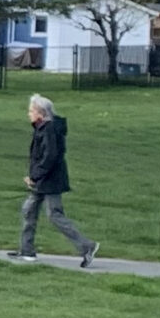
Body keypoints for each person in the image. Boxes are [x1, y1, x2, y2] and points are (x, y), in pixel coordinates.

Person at [14, 92, 97, 265]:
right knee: (29, 210)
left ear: (41, 113)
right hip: (42, 180)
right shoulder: (42, 128)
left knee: (54, 215)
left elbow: (49, 156)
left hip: (50, 181)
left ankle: (86, 246)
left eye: (31, 111)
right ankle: (27, 251)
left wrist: (35, 176)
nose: (29, 114)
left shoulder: (49, 130)